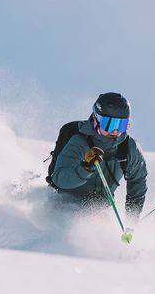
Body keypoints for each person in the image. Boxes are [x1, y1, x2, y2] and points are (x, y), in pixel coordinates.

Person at [47, 92, 148, 226]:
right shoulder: (79, 142)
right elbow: (59, 179)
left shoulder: (129, 148)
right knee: (68, 229)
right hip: (64, 205)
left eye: (122, 125)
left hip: (99, 211)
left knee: (101, 238)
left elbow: (138, 182)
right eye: (109, 124)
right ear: (96, 119)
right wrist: (85, 168)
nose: (116, 131)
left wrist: (131, 220)